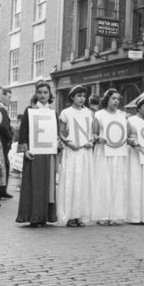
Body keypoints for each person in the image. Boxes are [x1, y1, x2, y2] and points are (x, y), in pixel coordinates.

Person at [15, 82, 59, 227]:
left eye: (45, 92)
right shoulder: (30, 111)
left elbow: (56, 133)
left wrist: (58, 144)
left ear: (50, 94)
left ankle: (45, 216)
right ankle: (34, 216)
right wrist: (25, 150)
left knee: (47, 185)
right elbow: (23, 132)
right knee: (34, 185)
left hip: (48, 154)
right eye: (40, 92)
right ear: (36, 94)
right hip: (33, 153)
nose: (42, 95)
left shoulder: (53, 112)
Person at [58, 85, 95, 227]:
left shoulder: (89, 113)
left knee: (83, 182)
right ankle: (70, 216)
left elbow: (92, 132)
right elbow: (61, 132)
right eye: (78, 96)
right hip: (73, 152)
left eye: (83, 96)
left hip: (85, 152)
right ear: (72, 97)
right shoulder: (66, 113)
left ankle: (80, 215)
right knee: (72, 181)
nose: (81, 99)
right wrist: (68, 142)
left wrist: (91, 141)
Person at [93, 89, 128, 225]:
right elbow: (94, 133)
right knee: (104, 182)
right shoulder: (99, 115)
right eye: (113, 98)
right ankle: (102, 215)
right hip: (104, 153)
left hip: (119, 153)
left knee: (117, 183)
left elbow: (127, 133)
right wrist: (98, 138)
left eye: (118, 99)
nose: (116, 101)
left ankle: (115, 214)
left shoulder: (123, 115)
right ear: (107, 99)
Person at [0, 88, 14, 200]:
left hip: (2, 141)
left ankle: (1, 190)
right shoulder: (1, 109)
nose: (10, 100)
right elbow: (4, 127)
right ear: (3, 96)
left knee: (4, 165)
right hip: (2, 142)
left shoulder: (1, 109)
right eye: (8, 97)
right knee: (1, 166)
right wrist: (11, 137)